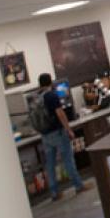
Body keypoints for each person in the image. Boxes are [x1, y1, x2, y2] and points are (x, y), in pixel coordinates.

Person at [37, 73, 85, 201]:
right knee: (68, 159)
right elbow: (60, 113)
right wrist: (68, 129)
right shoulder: (52, 95)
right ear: (51, 82)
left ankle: (54, 193)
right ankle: (78, 186)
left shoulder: (38, 98)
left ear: (40, 84)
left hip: (45, 136)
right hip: (57, 132)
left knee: (50, 164)